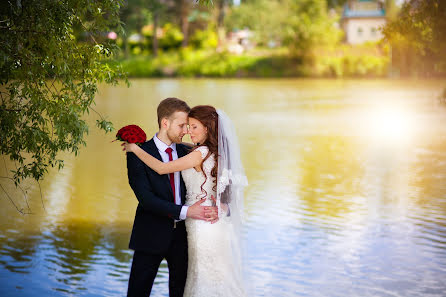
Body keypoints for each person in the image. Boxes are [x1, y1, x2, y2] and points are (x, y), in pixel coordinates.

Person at [123, 105, 248, 297]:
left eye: (191, 126)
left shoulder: (191, 151)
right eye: (183, 125)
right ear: (165, 123)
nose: (187, 131)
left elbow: (227, 188)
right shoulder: (141, 153)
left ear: (206, 128)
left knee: (187, 290)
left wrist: (223, 207)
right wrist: (187, 211)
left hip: (190, 235)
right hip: (151, 233)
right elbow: (146, 199)